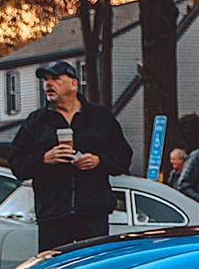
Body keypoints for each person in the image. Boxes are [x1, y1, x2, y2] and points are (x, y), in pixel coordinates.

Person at [10, 60, 134, 251]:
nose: (48, 84)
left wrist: (98, 161)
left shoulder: (99, 117)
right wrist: (44, 159)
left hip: (93, 214)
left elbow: (124, 157)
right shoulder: (36, 122)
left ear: (73, 84)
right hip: (53, 216)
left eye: (56, 79)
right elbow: (16, 164)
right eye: (45, 80)